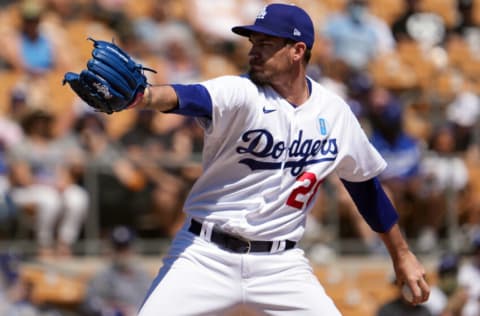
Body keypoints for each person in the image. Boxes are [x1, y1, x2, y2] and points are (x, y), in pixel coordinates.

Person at [67, 3, 430, 315]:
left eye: (266, 44)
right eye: (253, 42)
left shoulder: (334, 112)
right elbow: (189, 97)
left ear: (297, 50)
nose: (253, 51)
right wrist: (142, 98)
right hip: (204, 255)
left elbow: (365, 187)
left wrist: (401, 255)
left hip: (281, 265)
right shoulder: (240, 92)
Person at [81, 225, 152, 316]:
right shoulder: (102, 276)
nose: (122, 253)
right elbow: (89, 303)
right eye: (118, 248)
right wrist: (111, 309)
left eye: (126, 248)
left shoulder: (143, 276)